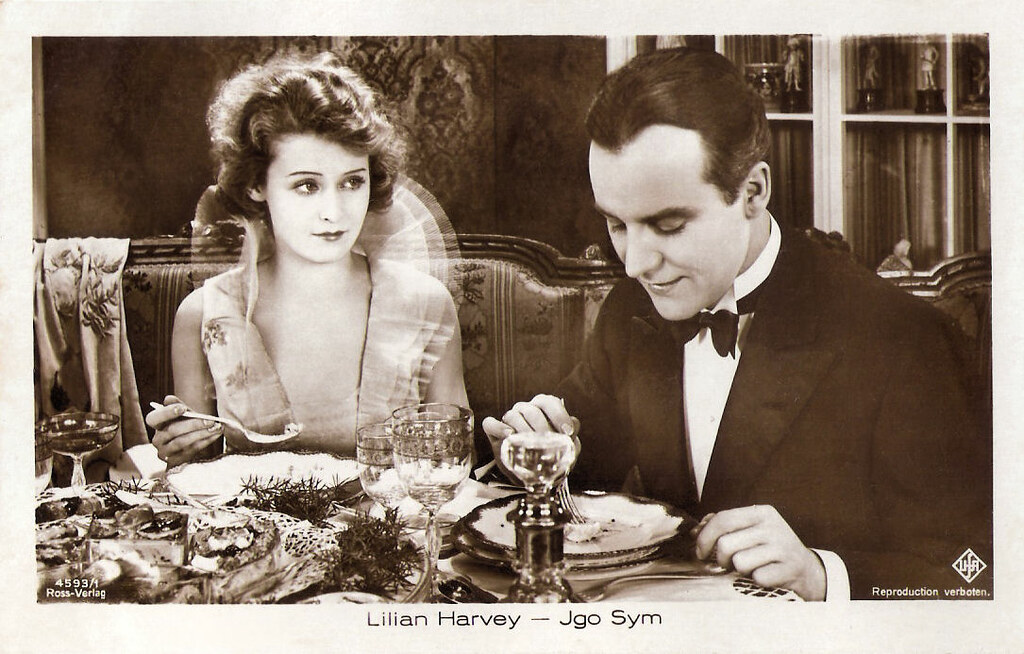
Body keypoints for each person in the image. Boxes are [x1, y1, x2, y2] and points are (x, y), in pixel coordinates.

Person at [482, 47, 990, 601]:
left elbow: (976, 572)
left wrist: (824, 574)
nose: (635, 264)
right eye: (617, 225)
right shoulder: (632, 309)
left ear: (753, 192)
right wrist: (536, 448)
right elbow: (583, 481)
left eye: (668, 225)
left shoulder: (902, 341)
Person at [147, 53, 467, 467]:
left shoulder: (425, 303)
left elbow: (456, 462)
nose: (333, 212)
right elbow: (200, 477)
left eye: (352, 182)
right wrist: (179, 450)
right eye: (307, 186)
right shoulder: (204, 314)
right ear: (257, 185)